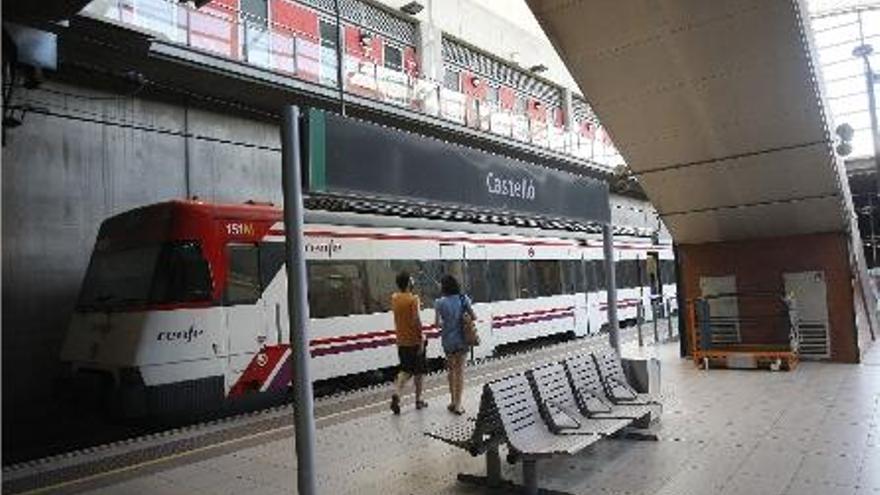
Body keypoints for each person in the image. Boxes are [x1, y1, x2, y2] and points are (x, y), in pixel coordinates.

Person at [434, 274, 475, 415]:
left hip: (448, 341)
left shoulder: (439, 303)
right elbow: (474, 316)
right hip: (463, 340)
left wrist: (447, 322)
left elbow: (437, 324)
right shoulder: (464, 299)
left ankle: (452, 401)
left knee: (451, 371)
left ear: (444, 286)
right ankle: (458, 404)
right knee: (460, 372)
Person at [390, 271, 427, 415]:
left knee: (405, 370)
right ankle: (418, 400)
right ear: (408, 283)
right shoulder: (413, 299)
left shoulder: (394, 298)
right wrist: (421, 339)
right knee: (419, 372)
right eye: (411, 280)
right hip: (414, 340)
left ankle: (397, 393)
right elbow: (416, 320)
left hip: (401, 341)